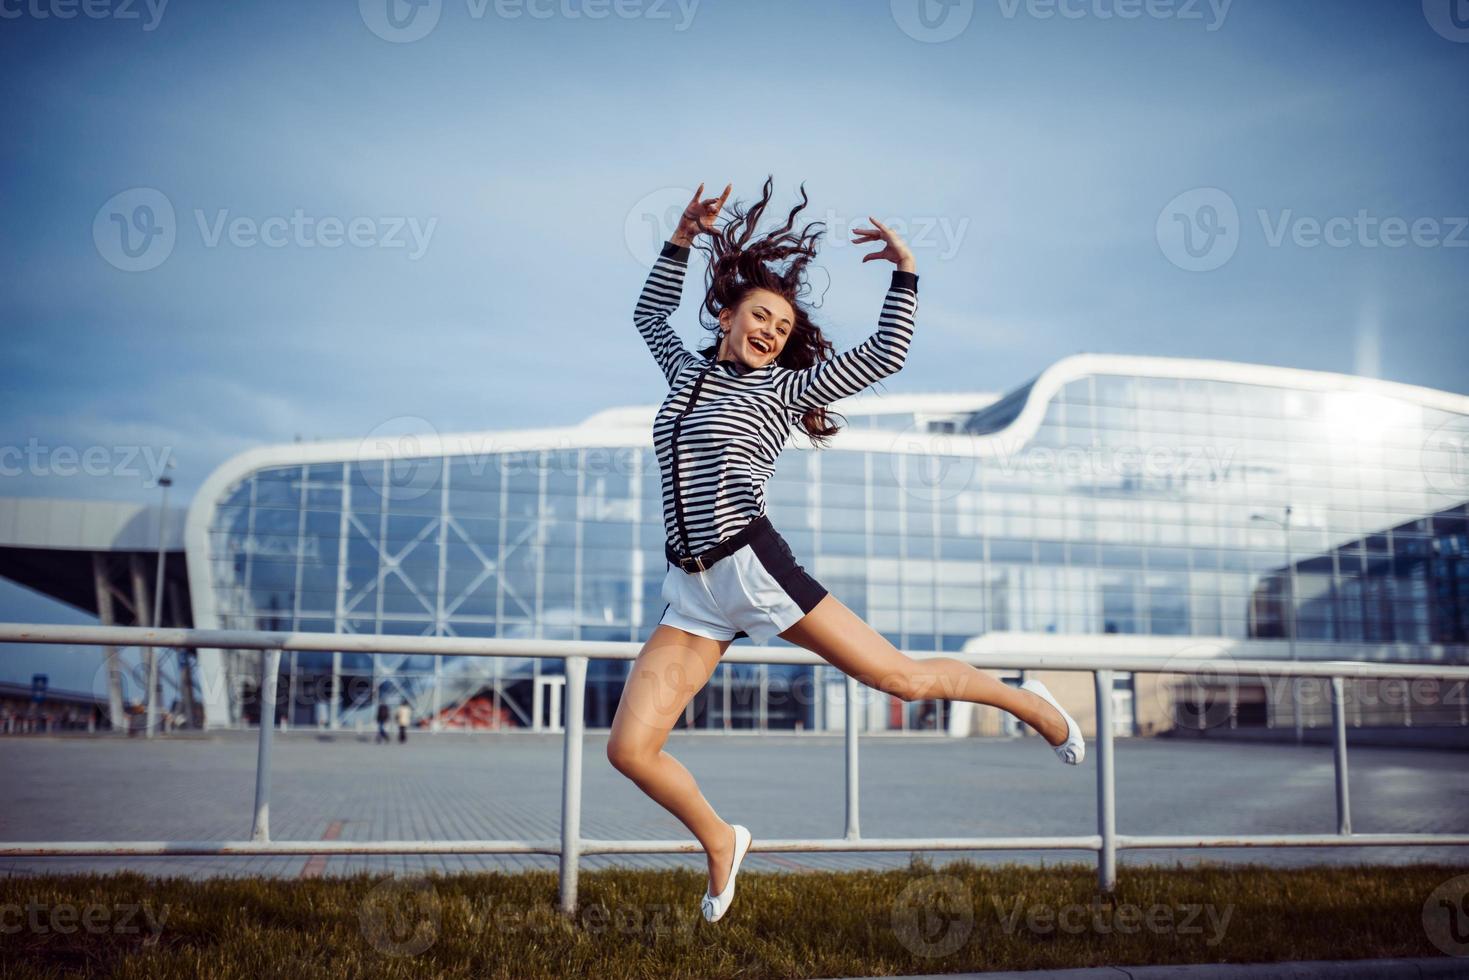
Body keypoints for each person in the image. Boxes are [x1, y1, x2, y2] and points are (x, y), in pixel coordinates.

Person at [606, 177, 1085, 924]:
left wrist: (905, 271)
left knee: (898, 679)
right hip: (692, 589)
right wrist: (681, 238)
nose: (769, 329)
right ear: (726, 315)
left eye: (781, 325)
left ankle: (1032, 704)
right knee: (631, 749)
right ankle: (722, 840)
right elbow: (646, 312)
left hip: (754, 565)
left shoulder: (783, 391)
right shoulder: (685, 371)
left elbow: (886, 353)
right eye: (758, 314)